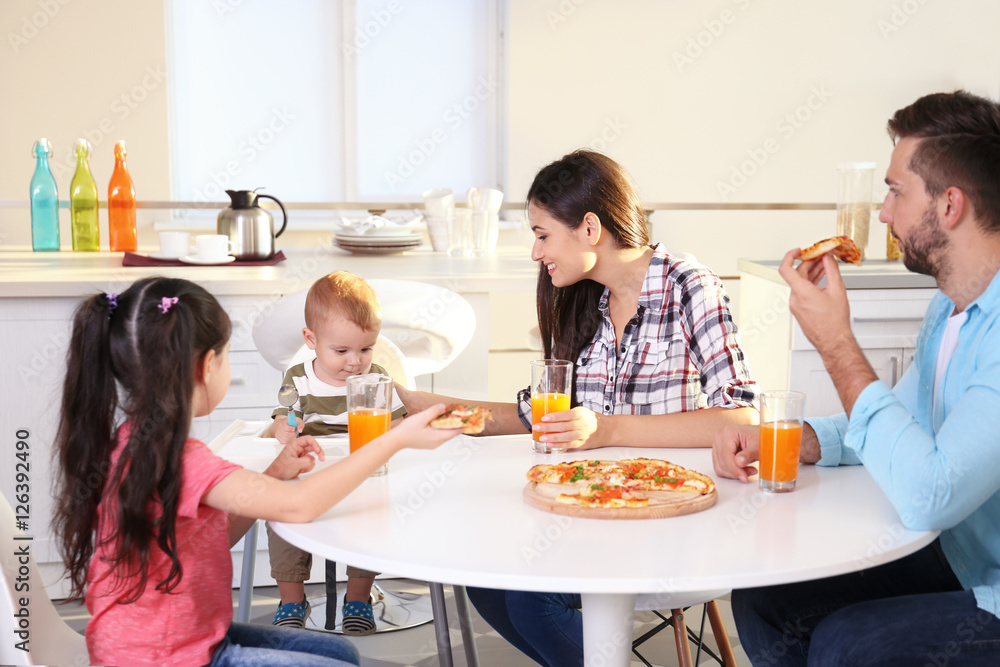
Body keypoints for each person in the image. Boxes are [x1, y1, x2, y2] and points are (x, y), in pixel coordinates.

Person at [398, 149, 759, 666]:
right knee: (485, 584)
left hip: (667, 520)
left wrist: (608, 430)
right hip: (587, 512)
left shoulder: (688, 286)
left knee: (531, 601)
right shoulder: (584, 301)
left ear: (590, 228)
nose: (534, 252)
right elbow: (531, 416)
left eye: (542, 234)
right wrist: (416, 404)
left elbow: (742, 416)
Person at [713, 90, 1000, 666]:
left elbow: (928, 495)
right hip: (956, 554)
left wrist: (836, 342)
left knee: (850, 645)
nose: (884, 214)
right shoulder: (948, 308)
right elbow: (902, 419)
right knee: (766, 596)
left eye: (895, 191)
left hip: (990, 585)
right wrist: (802, 440)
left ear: (950, 206)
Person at [51, 276, 458, 667]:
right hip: (174, 657)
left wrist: (276, 474)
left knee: (343, 655)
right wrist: (395, 438)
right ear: (207, 366)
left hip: (156, 644)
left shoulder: (131, 441)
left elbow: (212, 535)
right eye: (227, 356)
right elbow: (299, 507)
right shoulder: (186, 461)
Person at [265, 271, 406, 635]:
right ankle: (292, 600)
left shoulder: (376, 378)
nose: (355, 361)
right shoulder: (298, 378)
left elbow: (398, 425)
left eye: (365, 348)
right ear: (311, 340)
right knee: (281, 520)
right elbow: (282, 419)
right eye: (341, 350)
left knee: (370, 519)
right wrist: (283, 428)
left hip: (362, 474)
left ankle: (357, 597)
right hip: (310, 473)